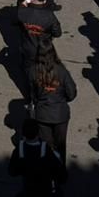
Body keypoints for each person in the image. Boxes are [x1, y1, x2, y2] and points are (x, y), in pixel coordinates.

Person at [26, 43, 76, 173]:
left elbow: (32, 94)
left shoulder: (33, 71)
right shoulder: (62, 71)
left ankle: (46, 172)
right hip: (60, 115)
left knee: (45, 147)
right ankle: (60, 171)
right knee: (60, 146)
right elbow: (72, 93)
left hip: (42, 114)